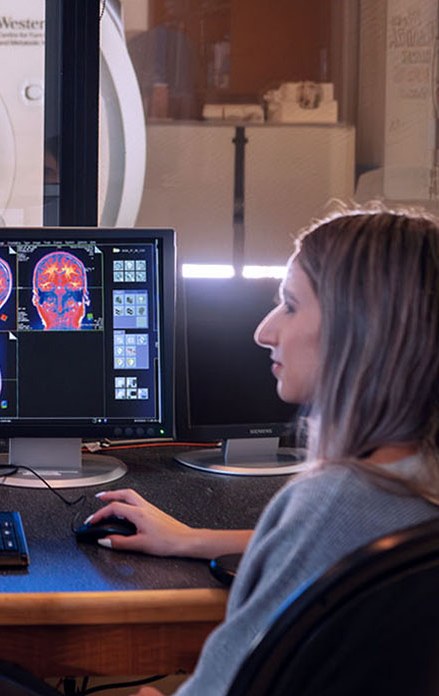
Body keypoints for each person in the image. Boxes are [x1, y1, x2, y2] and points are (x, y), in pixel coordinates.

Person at [83, 206, 439, 695]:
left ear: (359, 330)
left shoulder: (334, 501)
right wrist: (191, 539)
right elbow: (343, 542)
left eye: (290, 305)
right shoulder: (409, 488)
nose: (264, 331)